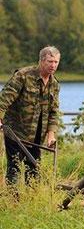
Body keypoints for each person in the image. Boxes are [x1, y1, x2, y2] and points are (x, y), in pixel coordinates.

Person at [0, 46, 60, 186]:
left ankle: (32, 199)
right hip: (16, 132)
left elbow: (54, 112)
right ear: (41, 61)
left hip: (37, 136)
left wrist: (51, 135)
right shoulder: (23, 76)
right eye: (50, 61)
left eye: (56, 62)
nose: (53, 65)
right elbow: (4, 99)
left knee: (33, 171)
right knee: (14, 169)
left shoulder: (54, 84)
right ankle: (12, 203)